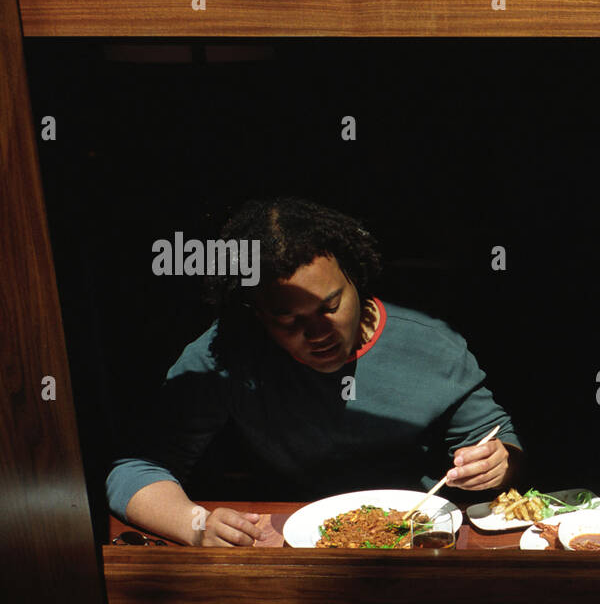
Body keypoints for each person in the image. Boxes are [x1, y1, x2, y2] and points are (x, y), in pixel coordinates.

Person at [107, 198, 522, 546]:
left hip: (419, 540)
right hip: (289, 542)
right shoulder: (227, 354)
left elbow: (498, 440)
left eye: (331, 305)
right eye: (288, 319)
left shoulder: (430, 345)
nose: (318, 333)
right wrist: (194, 524)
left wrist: (497, 462)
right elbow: (135, 470)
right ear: (255, 314)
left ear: (355, 280)